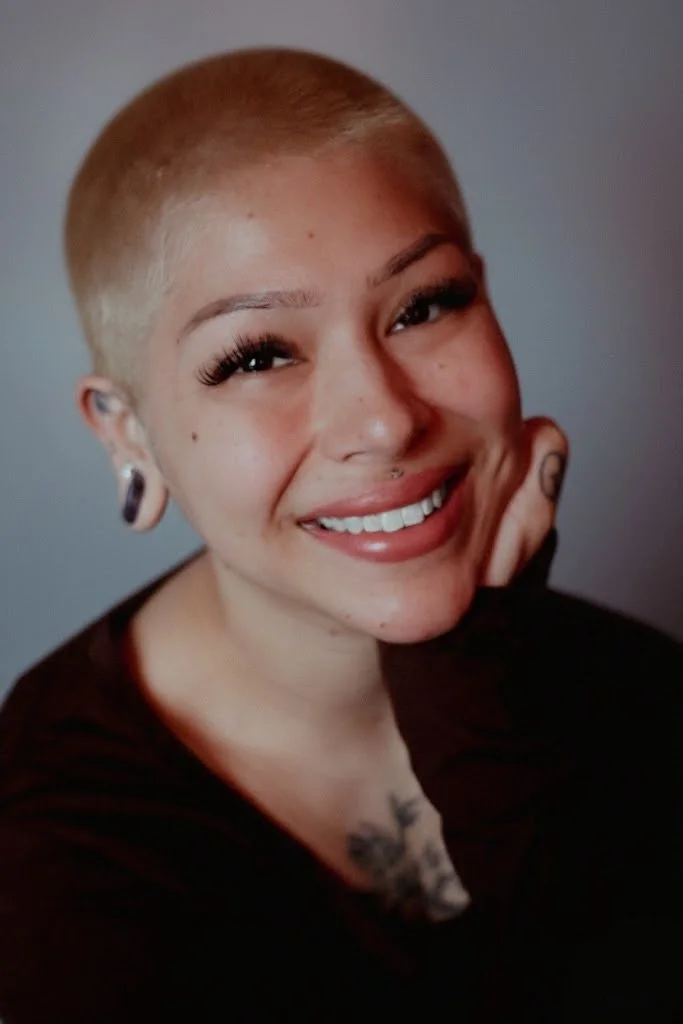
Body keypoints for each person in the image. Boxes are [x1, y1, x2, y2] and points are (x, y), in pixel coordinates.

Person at [0, 48, 680, 1023]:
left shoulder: (638, 700)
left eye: (423, 306)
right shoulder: (51, 865)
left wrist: (466, 687)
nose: (385, 421)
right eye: (256, 356)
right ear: (127, 430)